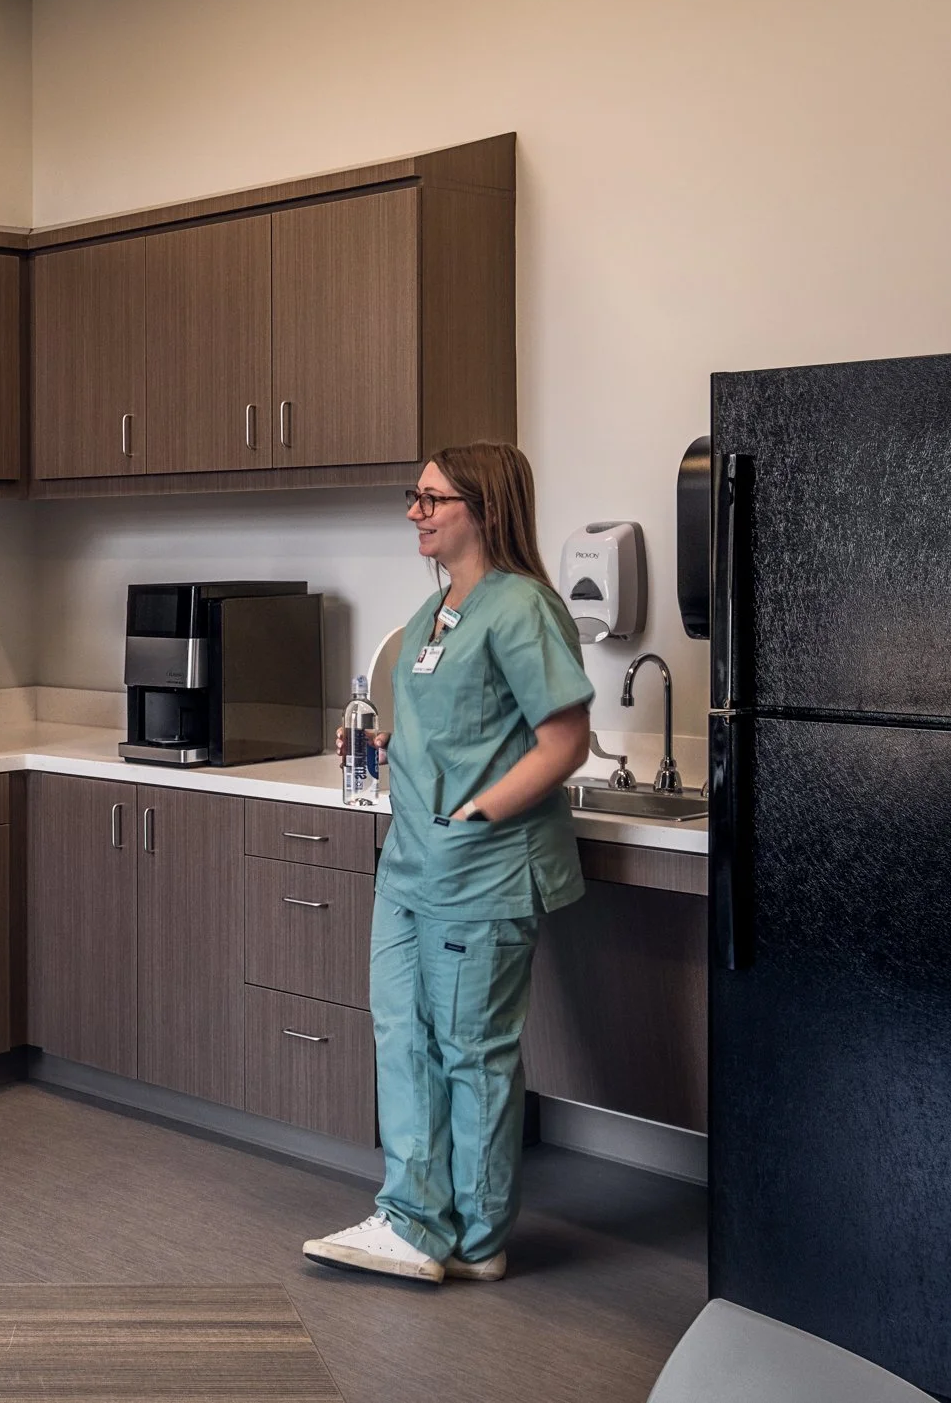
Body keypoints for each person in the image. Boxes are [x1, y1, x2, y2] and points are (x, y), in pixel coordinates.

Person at [303, 442, 593, 1285]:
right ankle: (411, 1216)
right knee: (402, 1036)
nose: (414, 512)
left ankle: (476, 1236)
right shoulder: (442, 610)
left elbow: (565, 739)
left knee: (472, 1050)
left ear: (483, 507)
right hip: (411, 862)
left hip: (479, 867)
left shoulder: (522, 606)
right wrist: (388, 745)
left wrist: (480, 810)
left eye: (431, 499)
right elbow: (461, 724)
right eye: (414, 497)